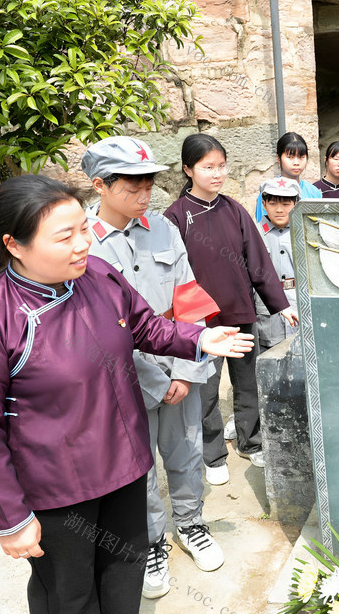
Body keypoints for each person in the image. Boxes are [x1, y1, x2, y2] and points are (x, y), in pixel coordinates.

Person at [0, 174, 253, 613]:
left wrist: (199, 339)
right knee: (70, 596)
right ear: (14, 245)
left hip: (125, 468)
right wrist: (10, 518)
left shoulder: (99, 276)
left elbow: (146, 326)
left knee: (124, 577)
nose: (82, 244)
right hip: (58, 491)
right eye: (64, 236)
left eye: (83, 229)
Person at [80, 137, 224, 600]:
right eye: (133, 185)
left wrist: (184, 371)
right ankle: (151, 541)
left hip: (178, 362)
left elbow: (189, 299)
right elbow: (92, 330)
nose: (145, 194)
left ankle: (191, 523)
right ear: (100, 185)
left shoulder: (164, 229)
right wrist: (154, 381)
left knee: (186, 451)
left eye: (149, 184)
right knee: (137, 468)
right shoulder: (82, 243)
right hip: (124, 378)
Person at [164, 134, 297, 486]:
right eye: (208, 167)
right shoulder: (176, 216)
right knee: (205, 390)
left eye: (221, 166)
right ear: (188, 169)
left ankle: (250, 441)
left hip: (240, 312)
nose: (217, 174)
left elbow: (258, 261)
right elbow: (171, 274)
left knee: (248, 383)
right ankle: (212, 454)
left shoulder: (234, 209)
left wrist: (280, 304)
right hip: (201, 324)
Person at [255, 177, 301, 348]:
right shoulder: (254, 234)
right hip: (267, 313)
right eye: (273, 203)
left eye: (286, 204)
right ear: (264, 204)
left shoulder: (304, 232)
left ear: (296, 204)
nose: (279, 210)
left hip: (299, 305)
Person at [255, 132, 322, 222]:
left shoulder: (314, 192)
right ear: (278, 158)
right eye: (290, 157)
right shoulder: (268, 191)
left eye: (301, 157)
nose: (296, 163)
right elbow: (262, 225)